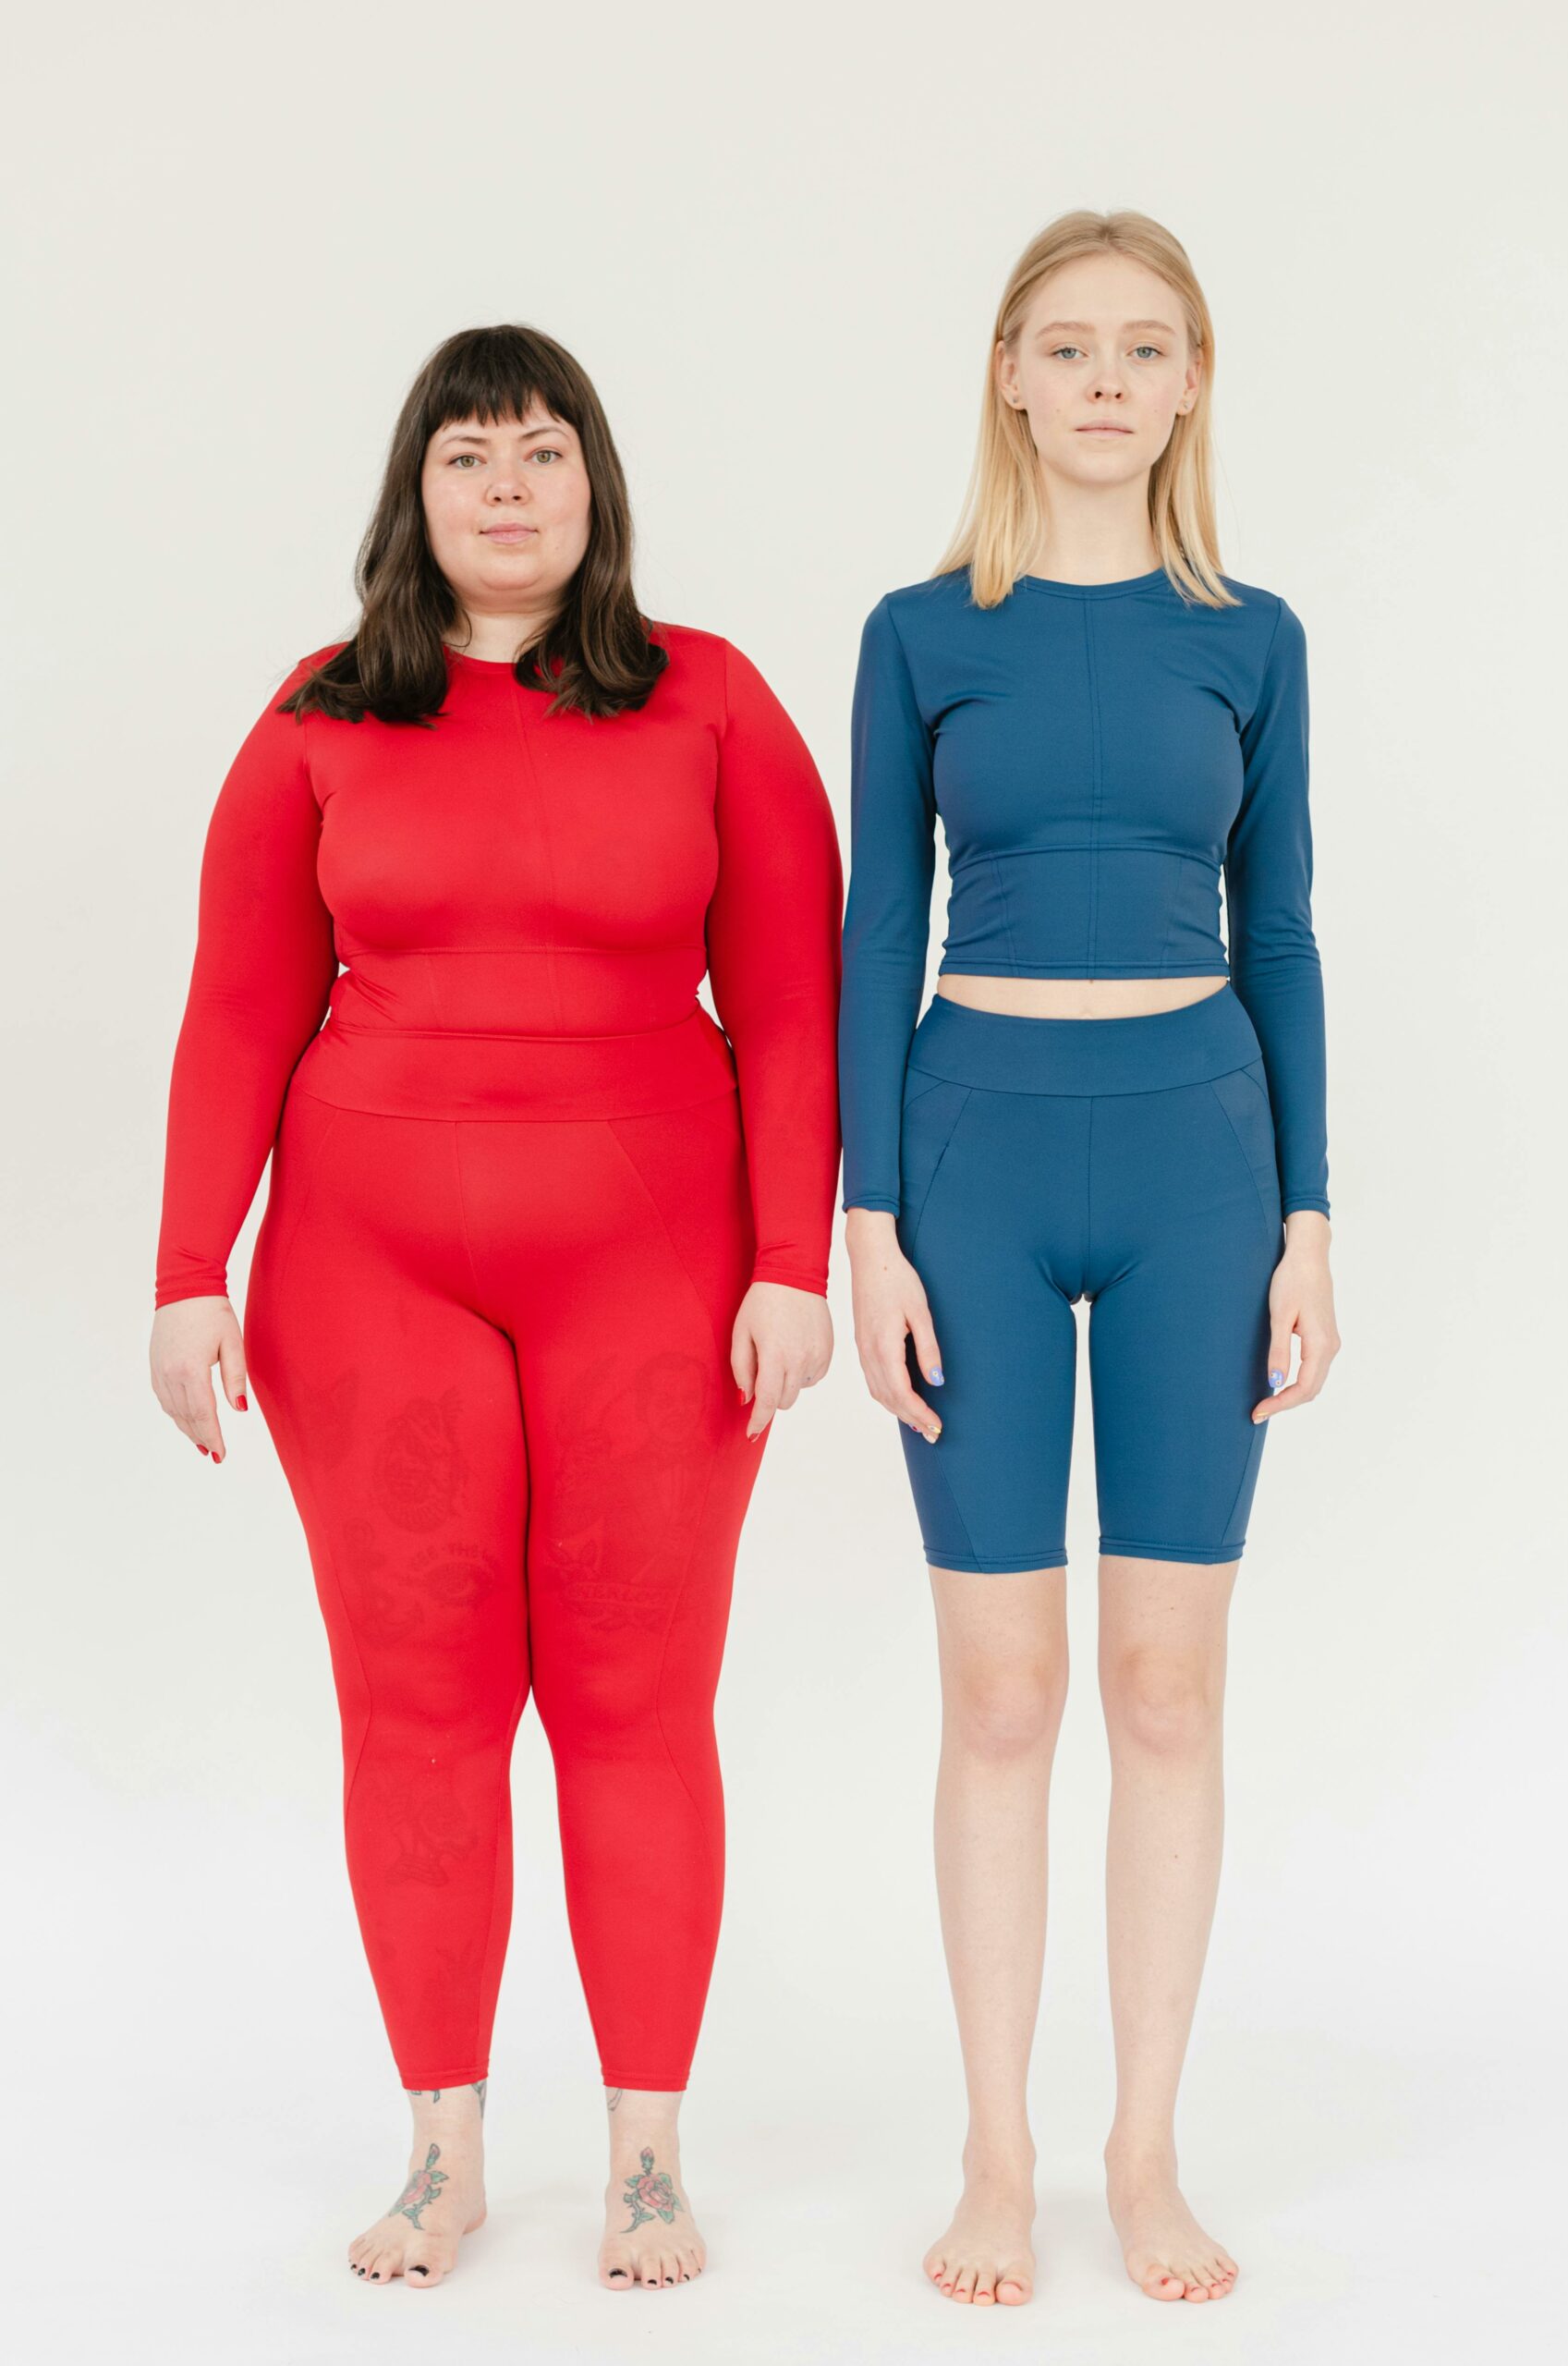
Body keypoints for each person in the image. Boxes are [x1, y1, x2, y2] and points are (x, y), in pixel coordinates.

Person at [148, 323, 843, 2293]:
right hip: (368, 1271)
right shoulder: (316, 713)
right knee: (419, 1708)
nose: (512, 488)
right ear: (416, 495)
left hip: (662, 1263)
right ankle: (443, 2148)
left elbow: (795, 1001)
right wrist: (189, 1266)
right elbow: (234, 1007)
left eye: (545, 452)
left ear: (595, 485)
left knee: (631, 1698)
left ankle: (643, 2160)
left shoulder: (709, 700)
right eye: (471, 458)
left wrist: (792, 1255)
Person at [839, 210, 1341, 2309]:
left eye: (1148, 345)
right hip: (970, 1149)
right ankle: (995, 2144)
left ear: (1194, 381)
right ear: (1012, 377)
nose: (1110, 378)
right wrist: (861, 1212)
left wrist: (1314, 1208)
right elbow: (878, 922)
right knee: (1000, 1684)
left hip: (1200, 1167)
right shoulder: (917, 626)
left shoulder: (1258, 634)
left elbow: (1285, 926)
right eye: (1071, 345)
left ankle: (1142, 2145)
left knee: (1162, 1680)